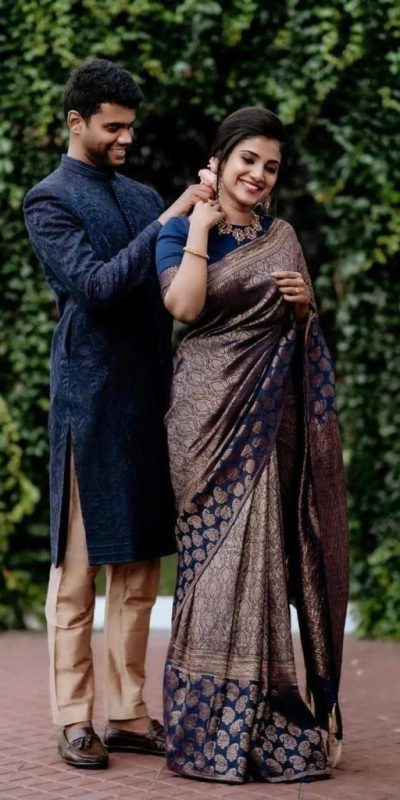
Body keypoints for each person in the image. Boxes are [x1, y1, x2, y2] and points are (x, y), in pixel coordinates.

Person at [23, 58, 212, 770]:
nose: (127, 137)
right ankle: (75, 717)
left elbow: (179, 285)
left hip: (150, 399)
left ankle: (129, 713)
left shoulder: (142, 195)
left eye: (131, 126)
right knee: (77, 573)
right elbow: (97, 288)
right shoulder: (49, 200)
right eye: (113, 127)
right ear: (77, 124)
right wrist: (173, 216)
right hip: (90, 402)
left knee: (137, 572)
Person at [156, 107, 349, 784]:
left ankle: (262, 724)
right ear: (219, 160)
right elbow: (183, 309)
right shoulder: (179, 229)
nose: (259, 175)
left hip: (266, 425)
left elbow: (300, 338)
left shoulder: (282, 236)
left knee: (262, 564)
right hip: (203, 423)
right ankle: (203, 732)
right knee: (209, 572)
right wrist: (199, 228)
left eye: (271, 166)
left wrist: (302, 310)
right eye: (248, 160)